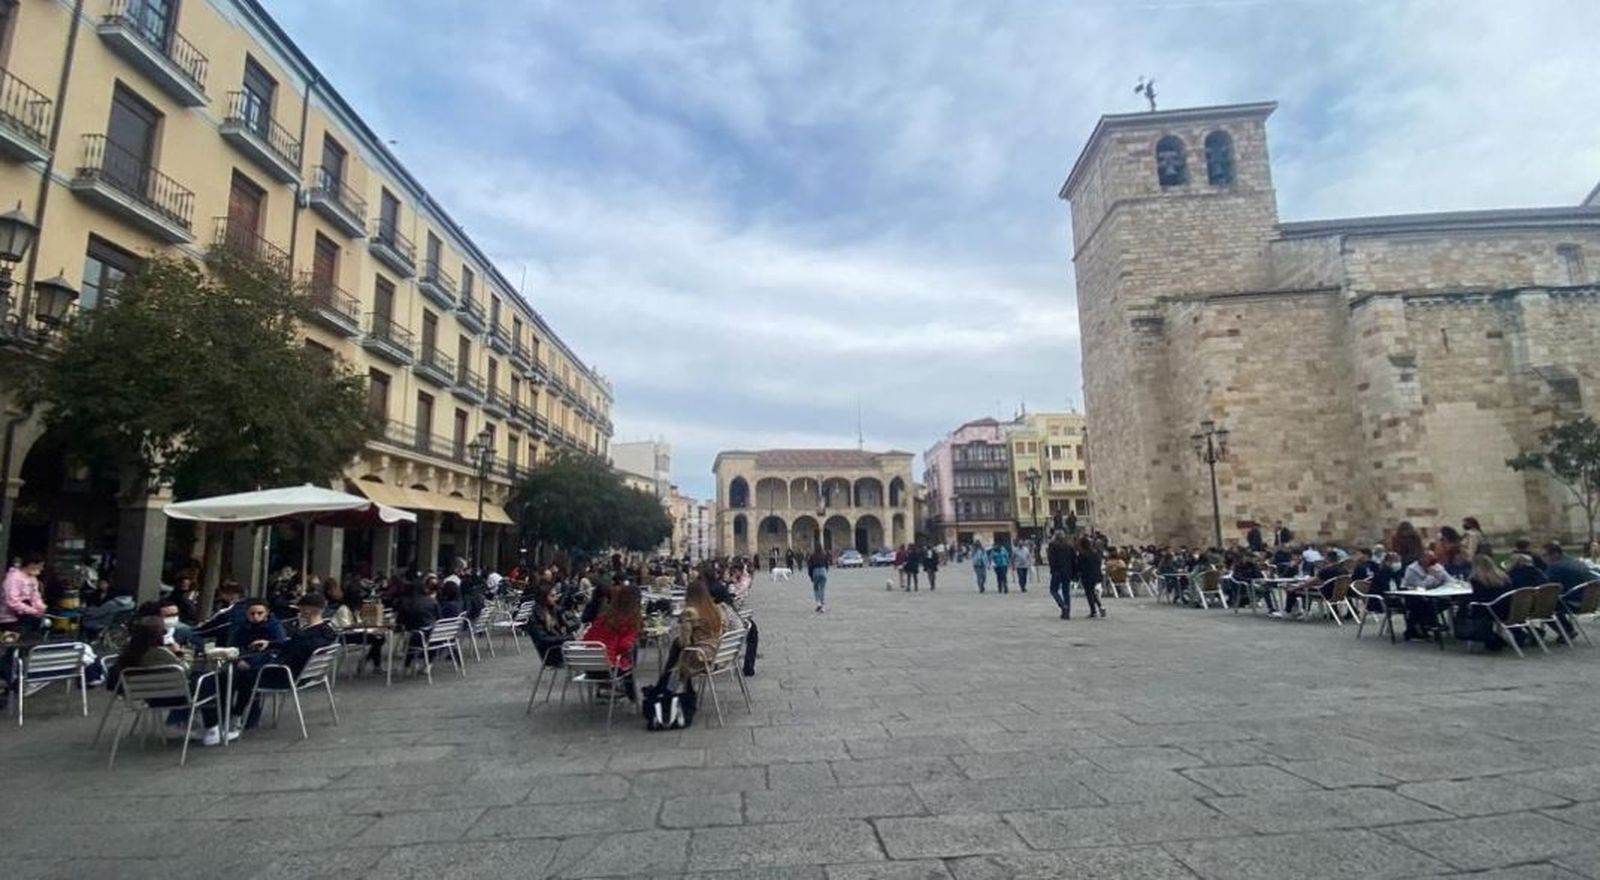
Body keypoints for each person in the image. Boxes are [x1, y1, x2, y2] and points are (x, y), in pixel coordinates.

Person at [115, 616, 238, 746]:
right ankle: (214, 729)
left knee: (202, 680)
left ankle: (187, 725)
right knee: (213, 680)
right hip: (174, 696)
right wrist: (178, 653)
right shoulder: (161, 653)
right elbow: (183, 671)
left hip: (146, 697)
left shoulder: (128, 654)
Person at [233, 594, 339, 728]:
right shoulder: (326, 632)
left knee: (239, 677)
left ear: (307, 610)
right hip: (307, 675)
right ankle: (244, 718)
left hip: (287, 675)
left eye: (300, 609)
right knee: (250, 673)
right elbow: (295, 647)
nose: (298, 612)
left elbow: (294, 651)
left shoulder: (305, 635)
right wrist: (271, 644)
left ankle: (235, 716)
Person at [583, 582, 641, 700]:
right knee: (631, 652)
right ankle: (632, 697)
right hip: (610, 669)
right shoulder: (631, 620)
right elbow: (624, 646)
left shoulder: (603, 617)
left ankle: (605, 690)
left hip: (589, 668)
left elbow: (586, 638)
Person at [671, 576, 726, 683]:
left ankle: (669, 687)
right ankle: (672, 687)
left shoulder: (690, 612)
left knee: (676, 647)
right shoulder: (717, 609)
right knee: (677, 650)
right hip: (718, 652)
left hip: (700, 656)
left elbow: (684, 642)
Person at [0, 554, 48, 635]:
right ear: (32, 564)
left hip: (27, 616)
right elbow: (12, 601)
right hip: (9, 619)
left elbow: (35, 595)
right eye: (40, 566)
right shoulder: (14, 578)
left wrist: (40, 607)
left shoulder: (32, 578)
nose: (42, 569)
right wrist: (33, 611)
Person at [1046, 531, 1077, 620]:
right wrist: (1074, 573)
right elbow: (1073, 560)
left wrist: (1052, 570)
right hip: (1067, 572)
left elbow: (1051, 559)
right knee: (1066, 592)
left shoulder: (1052, 545)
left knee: (1053, 590)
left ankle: (1063, 605)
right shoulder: (1069, 546)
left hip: (1057, 571)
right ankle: (1067, 612)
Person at [1076, 536, 1104, 619]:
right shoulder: (1095, 553)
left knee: (1089, 593)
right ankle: (1100, 606)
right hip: (1095, 575)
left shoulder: (1082, 554)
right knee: (1092, 592)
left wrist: (1076, 574)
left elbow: (1079, 566)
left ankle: (1093, 611)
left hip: (1087, 575)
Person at [806, 546, 830, 613]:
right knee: (822, 589)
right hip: (823, 571)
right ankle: (823, 607)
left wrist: (810, 576)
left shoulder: (812, 556)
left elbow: (810, 566)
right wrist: (825, 571)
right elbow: (827, 564)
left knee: (816, 588)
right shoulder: (824, 555)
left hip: (815, 572)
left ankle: (818, 603)